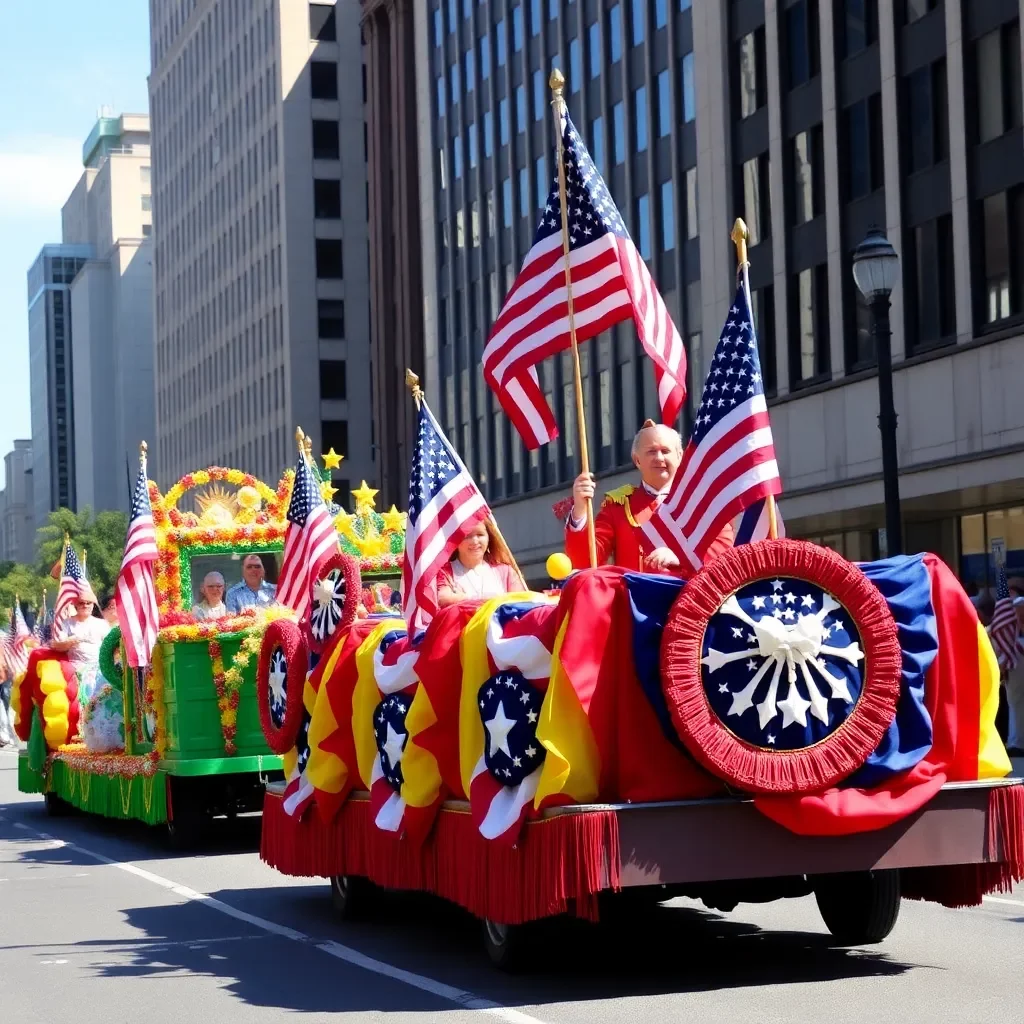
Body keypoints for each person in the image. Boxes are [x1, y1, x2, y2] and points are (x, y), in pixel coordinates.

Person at [565, 419, 734, 577]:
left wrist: (682, 558)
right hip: (635, 606)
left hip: (692, 602)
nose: (659, 458)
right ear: (637, 460)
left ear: (680, 456)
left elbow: (723, 553)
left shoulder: (704, 501)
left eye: (665, 451)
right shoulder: (619, 506)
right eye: (651, 451)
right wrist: (580, 509)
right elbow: (586, 561)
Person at [436, 520, 527, 607]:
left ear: (489, 538)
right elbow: (443, 599)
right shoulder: (445, 572)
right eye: (467, 535)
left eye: (480, 534)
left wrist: (462, 598)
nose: (475, 541)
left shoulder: (505, 571)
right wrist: (481, 599)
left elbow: (521, 602)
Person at [48, 588, 111, 702]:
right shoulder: (67, 623)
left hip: (98, 672)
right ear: (76, 605)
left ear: (93, 605)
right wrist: (72, 641)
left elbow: (110, 648)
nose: (85, 606)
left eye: (89, 603)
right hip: (75, 671)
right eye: (82, 603)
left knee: (96, 705)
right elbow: (57, 646)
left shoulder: (102, 624)